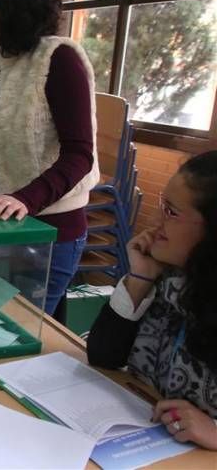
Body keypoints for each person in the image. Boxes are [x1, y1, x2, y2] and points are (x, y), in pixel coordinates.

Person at [0, 0, 99, 323]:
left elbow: (80, 154)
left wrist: (23, 198)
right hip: (7, 229)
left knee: (7, 336)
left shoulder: (59, 59)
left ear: (7, 5)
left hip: (50, 236)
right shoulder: (2, 62)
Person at [87, 151, 217, 451]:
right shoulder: (170, 279)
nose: (154, 220)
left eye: (171, 212)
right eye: (162, 204)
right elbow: (103, 356)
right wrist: (140, 280)